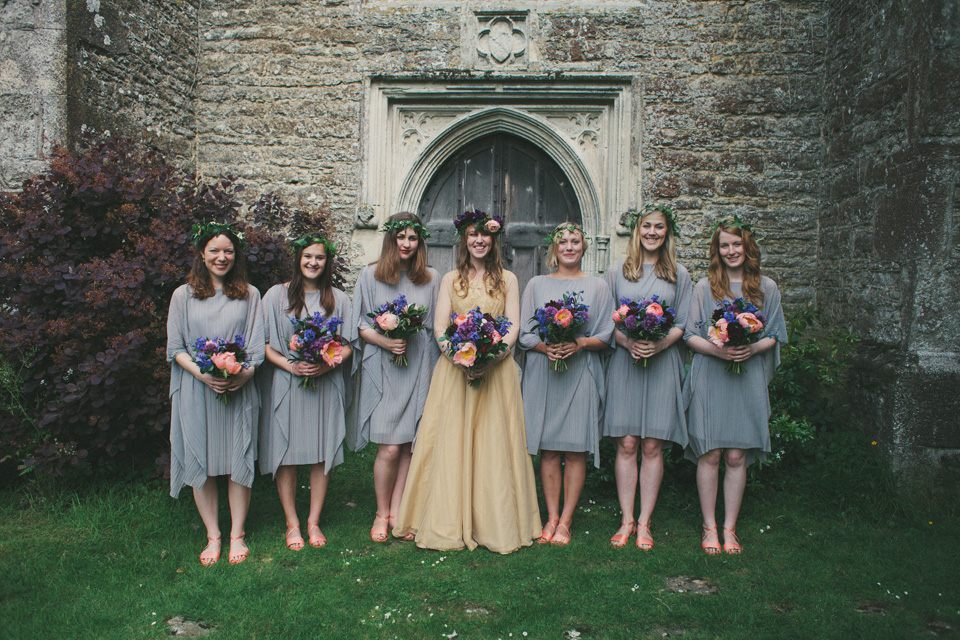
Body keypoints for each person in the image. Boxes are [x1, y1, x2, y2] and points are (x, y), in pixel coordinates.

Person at [392, 209, 541, 554]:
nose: (479, 240)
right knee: (451, 440)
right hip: (455, 372)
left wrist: (490, 357)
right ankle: (446, 519)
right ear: (465, 239)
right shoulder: (449, 280)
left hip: (496, 372)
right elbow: (440, 328)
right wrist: (460, 356)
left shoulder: (508, 280)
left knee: (493, 443)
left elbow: (514, 325)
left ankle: (495, 522)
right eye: (473, 234)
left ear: (493, 240)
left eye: (485, 235)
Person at [683, 217, 787, 554]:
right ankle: (709, 526)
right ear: (717, 250)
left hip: (746, 376)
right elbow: (689, 335)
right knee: (711, 452)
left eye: (736, 244)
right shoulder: (704, 288)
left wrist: (750, 348)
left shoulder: (766, 288)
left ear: (748, 247)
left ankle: (730, 528)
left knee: (736, 455)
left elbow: (774, 334)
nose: (731, 251)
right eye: (724, 245)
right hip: (712, 375)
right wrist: (720, 350)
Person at [167, 221, 264, 566]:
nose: (221, 257)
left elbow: (256, 348)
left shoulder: (250, 294)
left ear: (235, 256)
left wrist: (243, 373)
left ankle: (237, 533)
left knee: (239, 459)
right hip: (197, 390)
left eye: (228, 251)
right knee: (201, 461)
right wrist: (204, 375)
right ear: (201, 254)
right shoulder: (183, 295)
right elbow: (175, 348)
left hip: (237, 389)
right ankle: (214, 535)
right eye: (214, 251)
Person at [519, 222, 614, 546]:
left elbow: (606, 335)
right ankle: (550, 517)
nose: (570, 246)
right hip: (545, 372)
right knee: (548, 449)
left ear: (585, 247)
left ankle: (567, 520)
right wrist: (547, 347)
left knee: (574, 450)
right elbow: (524, 334)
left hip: (579, 372)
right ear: (554, 248)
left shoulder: (598, 287)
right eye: (563, 241)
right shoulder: (536, 284)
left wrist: (579, 344)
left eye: (575, 241)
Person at [603, 205, 691, 550]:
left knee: (653, 444)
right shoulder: (617, 272)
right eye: (646, 227)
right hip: (626, 363)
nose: (652, 232)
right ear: (637, 231)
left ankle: (645, 523)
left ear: (667, 232)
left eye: (659, 227)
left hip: (661, 362)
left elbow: (683, 321)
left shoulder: (678, 275)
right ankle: (626, 519)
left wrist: (660, 344)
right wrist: (627, 342)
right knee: (626, 443)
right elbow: (606, 321)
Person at [348, 212, 441, 542]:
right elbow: (359, 325)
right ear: (391, 239)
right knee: (388, 448)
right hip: (385, 367)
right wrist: (386, 339)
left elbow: (436, 326)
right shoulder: (369, 276)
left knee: (408, 447)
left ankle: (398, 512)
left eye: (412, 238)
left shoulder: (431, 278)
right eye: (400, 237)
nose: (406, 243)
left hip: (418, 364)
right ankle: (380, 511)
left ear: (419, 242)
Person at [259, 234, 354, 551]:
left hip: (325, 384)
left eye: (320, 257)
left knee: (321, 452)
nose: (313, 262)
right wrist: (292, 366)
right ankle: (292, 523)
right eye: (308, 256)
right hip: (289, 384)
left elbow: (349, 345)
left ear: (327, 262)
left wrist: (327, 365)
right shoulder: (276, 296)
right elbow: (266, 346)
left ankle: (313, 521)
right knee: (286, 454)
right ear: (298, 259)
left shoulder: (338, 300)